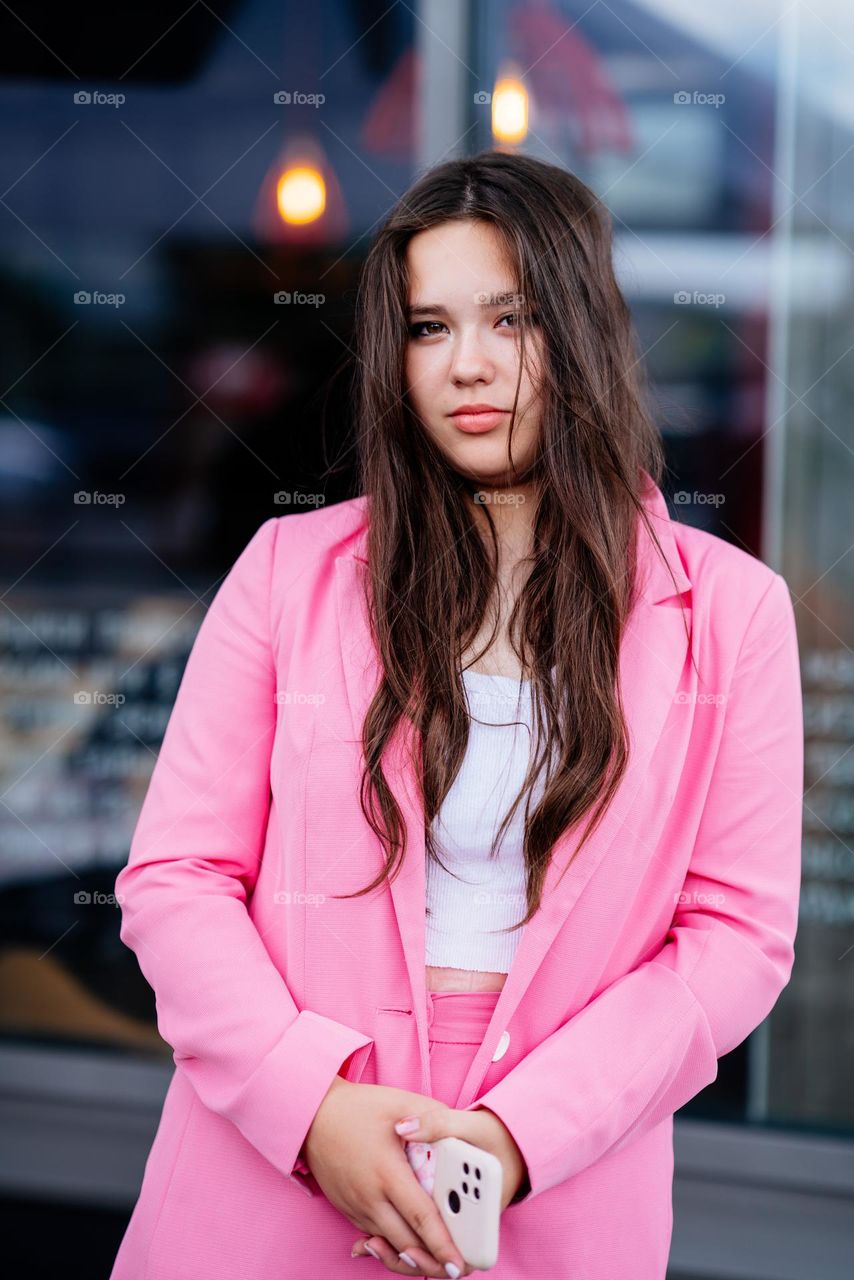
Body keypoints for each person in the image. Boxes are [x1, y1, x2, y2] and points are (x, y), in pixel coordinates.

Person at [109, 151, 803, 1280]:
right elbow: (177, 875)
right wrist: (311, 1104)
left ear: (579, 328)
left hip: (560, 1160)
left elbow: (733, 938)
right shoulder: (291, 570)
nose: (465, 367)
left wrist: (524, 1133)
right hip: (273, 1154)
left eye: (509, 318)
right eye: (427, 328)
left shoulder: (731, 612)